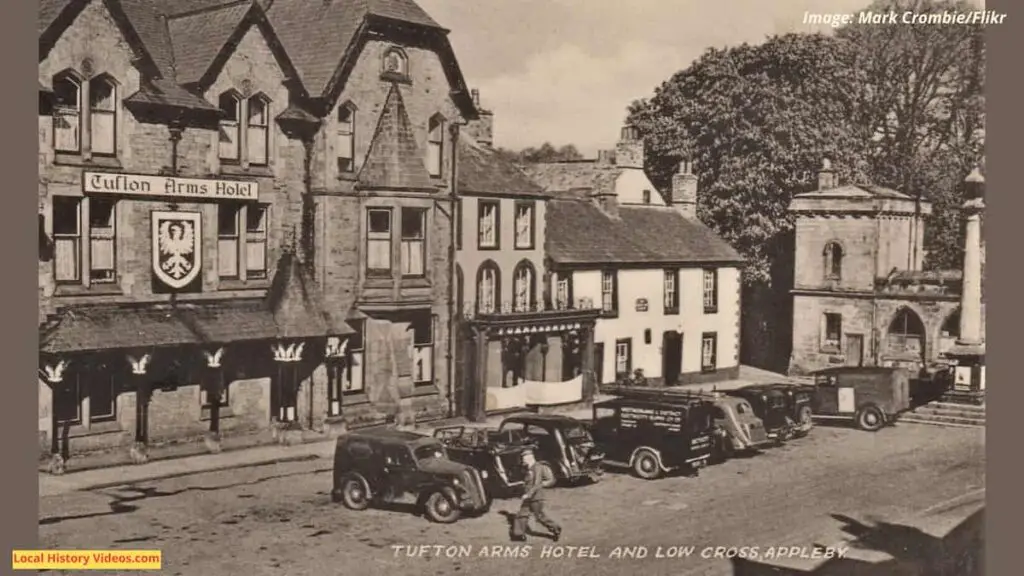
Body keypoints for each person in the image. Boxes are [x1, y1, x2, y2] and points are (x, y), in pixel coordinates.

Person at [511, 449, 561, 542]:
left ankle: (556, 528)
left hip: (536, 497)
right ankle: (518, 534)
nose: (523, 460)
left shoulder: (537, 467)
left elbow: (537, 483)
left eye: (524, 458)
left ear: (530, 458)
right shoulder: (529, 468)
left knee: (539, 517)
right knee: (522, 514)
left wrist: (528, 494)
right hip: (530, 497)